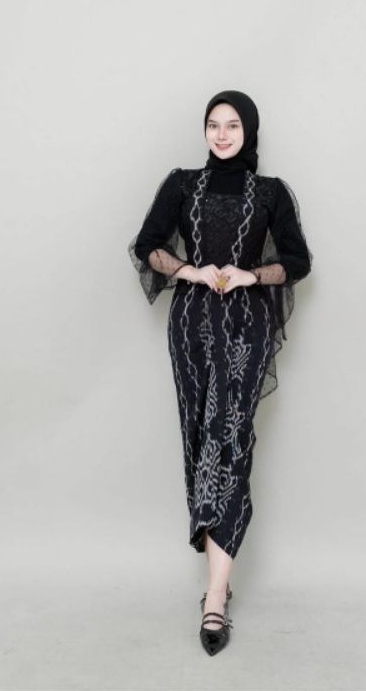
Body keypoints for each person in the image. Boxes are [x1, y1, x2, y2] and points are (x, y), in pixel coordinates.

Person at [127, 89, 312, 656]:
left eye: (233, 124)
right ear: (205, 130)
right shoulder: (181, 185)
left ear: (249, 130)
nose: (223, 134)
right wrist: (192, 271)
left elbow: (298, 261)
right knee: (199, 440)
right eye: (214, 124)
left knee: (229, 441)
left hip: (246, 330)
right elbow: (147, 245)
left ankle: (214, 595)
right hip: (191, 327)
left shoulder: (272, 193)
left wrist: (252, 275)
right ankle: (218, 581)